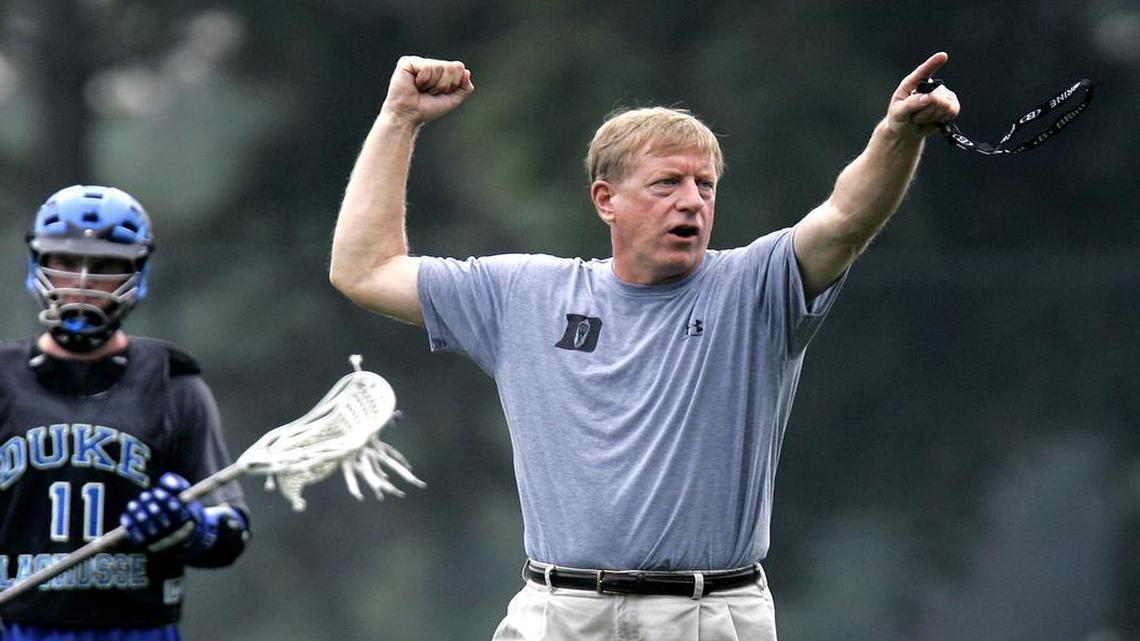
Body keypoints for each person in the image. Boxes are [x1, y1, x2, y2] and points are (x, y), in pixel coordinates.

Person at [328, 53, 959, 640]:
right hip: (557, 613)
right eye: (667, 184)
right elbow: (366, 269)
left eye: (704, 185)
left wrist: (897, 135)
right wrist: (399, 120)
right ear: (607, 200)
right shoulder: (523, 293)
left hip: (705, 612)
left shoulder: (754, 288)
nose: (691, 200)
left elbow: (847, 219)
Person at [0, 185, 251, 641]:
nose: (80, 281)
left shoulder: (176, 385)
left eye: (105, 267)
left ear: (137, 272)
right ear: (37, 265)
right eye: (64, 262)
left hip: (137, 631)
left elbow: (231, 532)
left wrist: (188, 529)